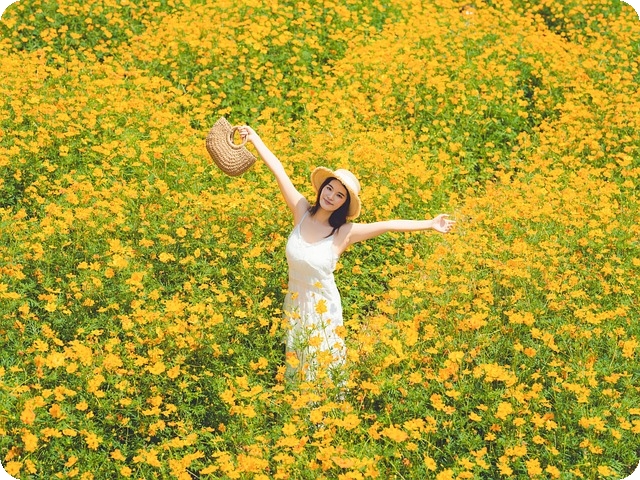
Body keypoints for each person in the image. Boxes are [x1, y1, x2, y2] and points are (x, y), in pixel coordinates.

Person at [238, 126, 455, 384]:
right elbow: (279, 171)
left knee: (321, 371)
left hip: (323, 310)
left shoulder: (344, 232)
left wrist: (430, 223)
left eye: (339, 195)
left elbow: (388, 224)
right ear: (322, 188)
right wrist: (255, 138)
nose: (331, 196)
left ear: (344, 203)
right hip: (295, 304)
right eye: (329, 189)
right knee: (297, 367)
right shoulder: (301, 211)